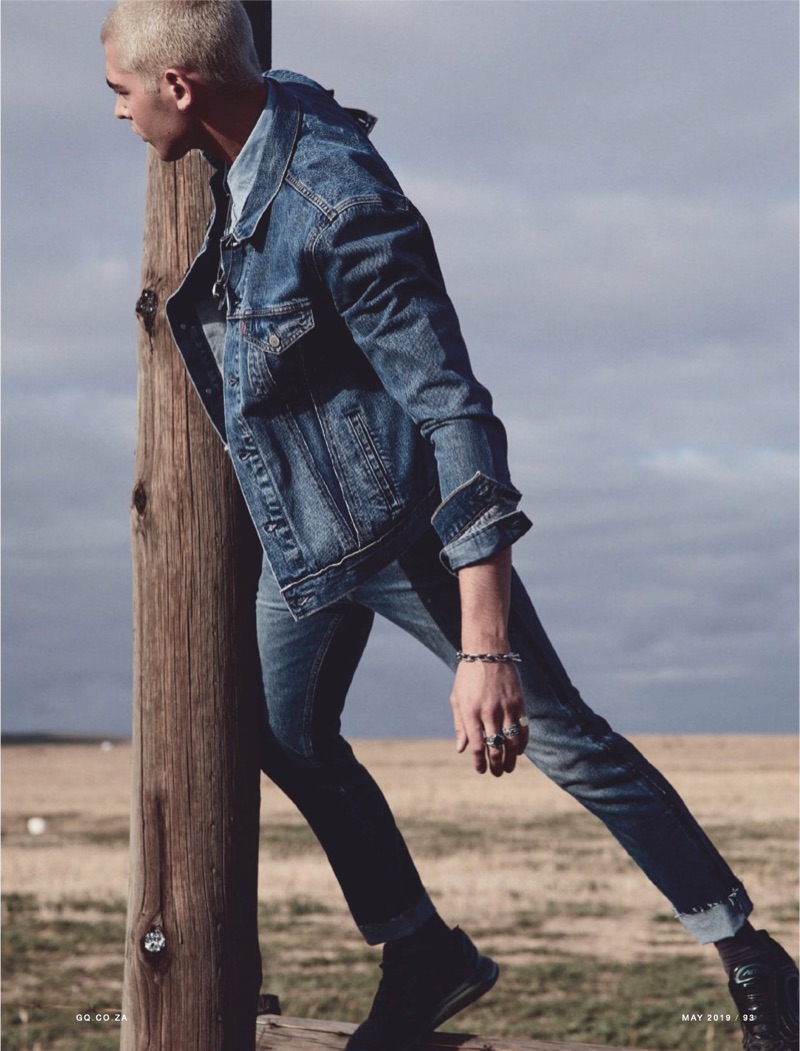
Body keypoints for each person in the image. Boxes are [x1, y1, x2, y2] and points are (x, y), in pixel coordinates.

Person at [101, 3, 798, 1049]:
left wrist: (484, 648)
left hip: (409, 528)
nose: (115, 111)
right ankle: (423, 950)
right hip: (311, 533)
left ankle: (748, 953)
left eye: (120, 90)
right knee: (278, 733)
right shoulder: (241, 134)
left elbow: (454, 412)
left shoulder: (337, 203)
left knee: (565, 742)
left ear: (178, 88)